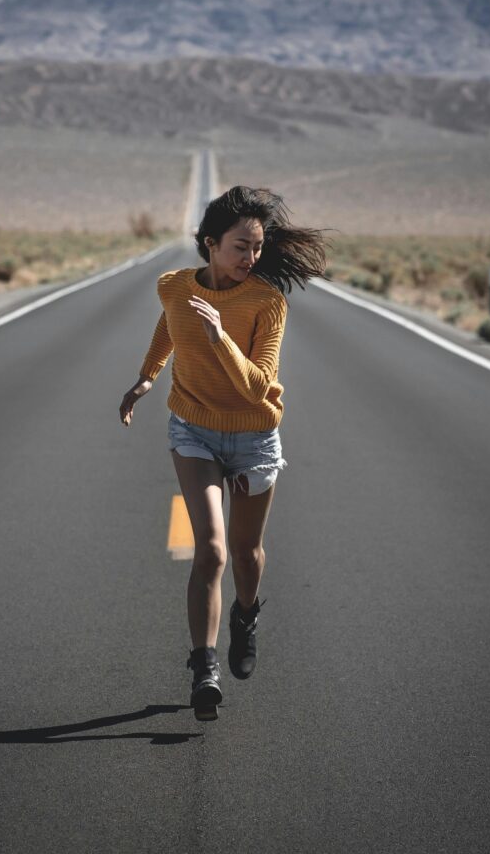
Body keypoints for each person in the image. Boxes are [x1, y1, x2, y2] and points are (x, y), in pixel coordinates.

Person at [119, 185, 330, 720]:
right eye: (241, 247)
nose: (251, 259)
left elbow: (258, 386)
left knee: (245, 554)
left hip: (255, 437)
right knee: (209, 551)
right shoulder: (172, 287)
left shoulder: (266, 302)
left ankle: (246, 614)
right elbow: (170, 327)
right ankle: (203, 667)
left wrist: (220, 338)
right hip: (194, 431)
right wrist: (146, 379)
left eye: (257, 248)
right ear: (210, 244)